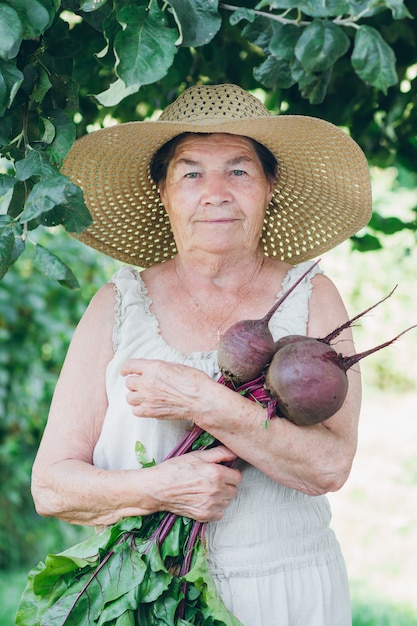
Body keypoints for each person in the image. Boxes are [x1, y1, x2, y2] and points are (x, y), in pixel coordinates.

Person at [31, 83, 372, 625]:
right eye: (191, 172)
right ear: (162, 190)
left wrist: (200, 399)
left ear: (269, 185)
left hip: (287, 590)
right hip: (141, 592)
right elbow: (51, 487)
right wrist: (160, 488)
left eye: (239, 170)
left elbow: (330, 465)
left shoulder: (313, 296)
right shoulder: (120, 305)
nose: (216, 191)